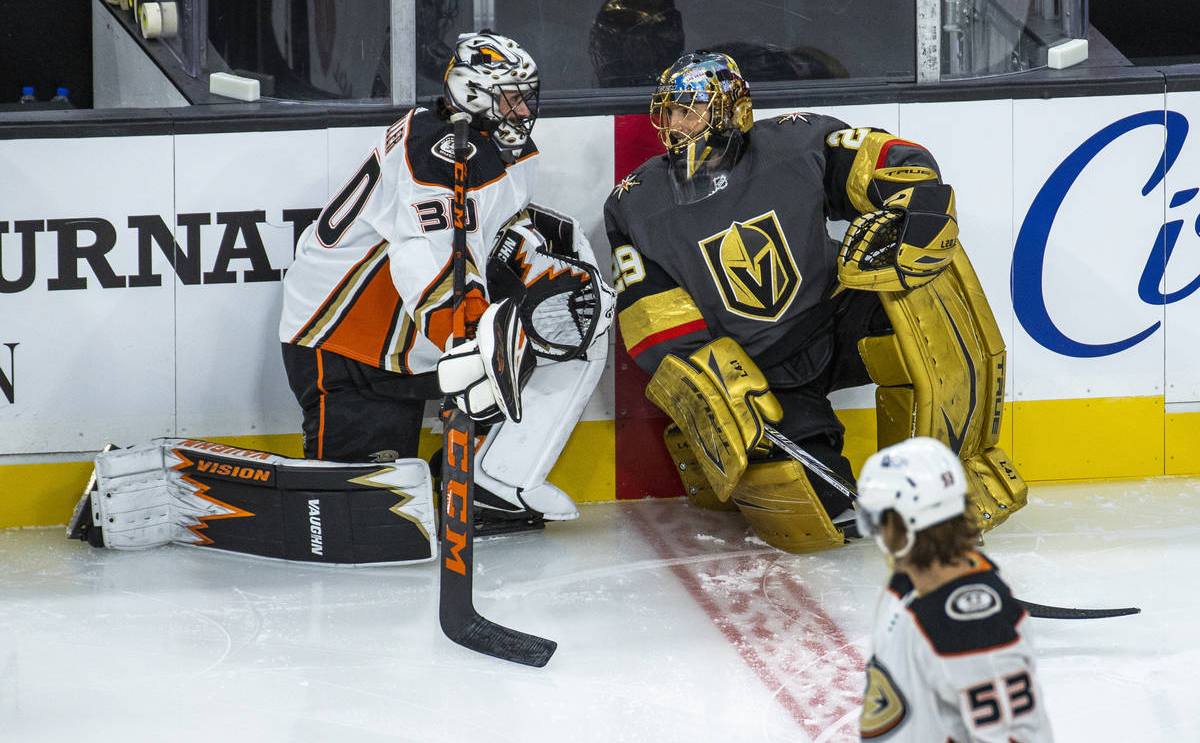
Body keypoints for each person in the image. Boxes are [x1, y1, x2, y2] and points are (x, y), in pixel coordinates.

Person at [604, 50, 1026, 554]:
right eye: (668, 111)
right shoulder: (636, 202)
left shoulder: (797, 141)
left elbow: (897, 162)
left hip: (838, 322)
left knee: (927, 290)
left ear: (733, 109)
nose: (675, 124)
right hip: (761, 374)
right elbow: (653, 319)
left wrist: (909, 212)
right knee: (812, 500)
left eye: (689, 109)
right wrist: (711, 383)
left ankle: (953, 470)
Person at [279, 29, 611, 529]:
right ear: (475, 95)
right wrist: (468, 343)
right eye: (512, 99)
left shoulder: (489, 143)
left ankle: (492, 481)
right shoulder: (442, 154)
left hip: (403, 335)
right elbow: (427, 259)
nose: (524, 112)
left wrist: (538, 267)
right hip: (347, 342)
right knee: (365, 519)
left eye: (526, 98)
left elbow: (493, 226)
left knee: (575, 318)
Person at [847, 436, 1055, 743]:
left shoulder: (972, 621)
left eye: (876, 520)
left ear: (906, 521)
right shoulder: (907, 581)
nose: (874, 533)